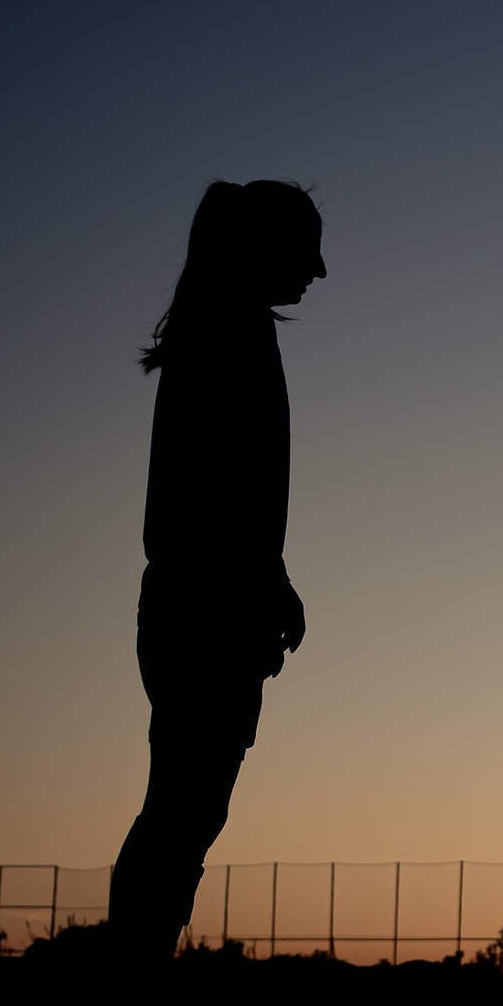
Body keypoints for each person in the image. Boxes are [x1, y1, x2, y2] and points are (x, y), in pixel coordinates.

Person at [107, 180, 326, 961]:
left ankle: (137, 956)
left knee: (184, 810)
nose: (321, 269)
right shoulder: (230, 336)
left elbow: (228, 487)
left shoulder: (224, 331)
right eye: (309, 247)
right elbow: (210, 496)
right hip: (206, 611)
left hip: (199, 603)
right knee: (182, 812)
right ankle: (132, 961)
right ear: (264, 248)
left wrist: (274, 577)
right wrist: (256, 587)